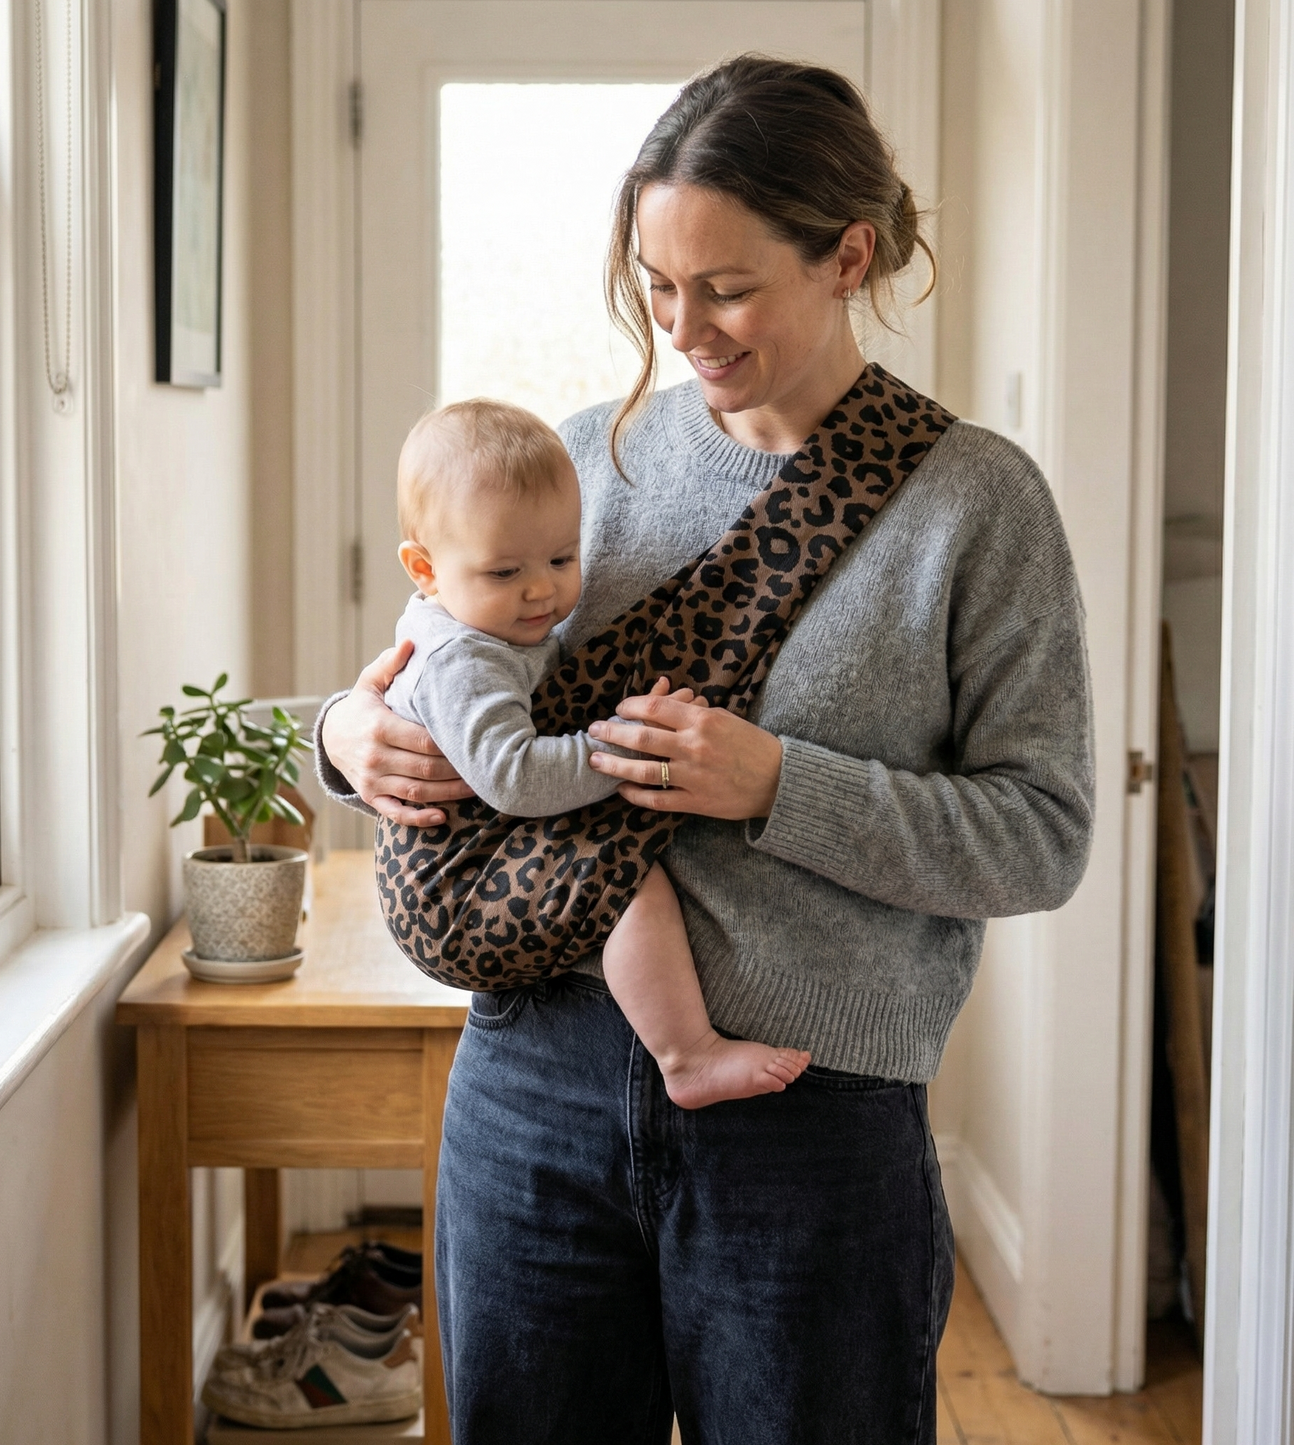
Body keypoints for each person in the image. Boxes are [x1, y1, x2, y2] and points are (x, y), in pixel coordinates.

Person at [317, 55, 1094, 1445]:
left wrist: (779, 784)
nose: (681, 328)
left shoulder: (974, 504)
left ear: (846, 254)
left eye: (724, 287)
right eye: (655, 285)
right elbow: (439, 663)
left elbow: (1040, 836)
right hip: (534, 1084)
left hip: (810, 1122)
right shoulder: (581, 463)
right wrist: (344, 733)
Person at [383, 396, 810, 1107]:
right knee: (629, 886)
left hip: (484, 858)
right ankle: (687, 1053)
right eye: (503, 572)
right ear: (424, 570)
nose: (542, 589)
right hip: (455, 882)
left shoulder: (481, 620)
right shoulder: (462, 659)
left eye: (562, 557)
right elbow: (515, 776)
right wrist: (620, 749)